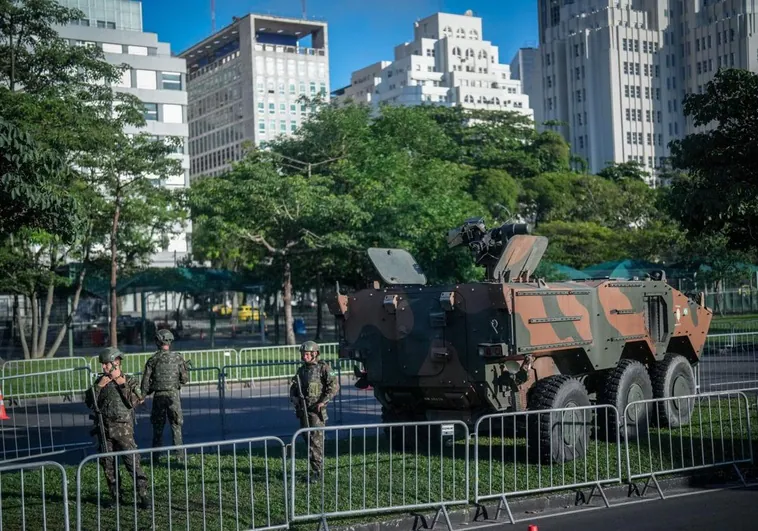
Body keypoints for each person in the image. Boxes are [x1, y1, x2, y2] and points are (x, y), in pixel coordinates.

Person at [85, 347, 150, 508]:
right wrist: (99, 386)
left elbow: (135, 401)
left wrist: (121, 383)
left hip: (123, 431)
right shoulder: (100, 382)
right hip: (104, 430)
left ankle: (143, 496)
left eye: (106, 364)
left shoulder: (129, 381)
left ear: (116, 363)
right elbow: (89, 402)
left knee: (132, 463)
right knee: (108, 465)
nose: (103, 368)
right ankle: (116, 497)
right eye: (103, 365)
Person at [289, 340, 339, 480]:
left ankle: (317, 472)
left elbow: (334, 386)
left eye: (307, 354)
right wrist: (294, 398)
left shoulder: (324, 368)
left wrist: (323, 401)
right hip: (303, 411)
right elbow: (293, 388)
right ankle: (314, 469)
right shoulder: (302, 370)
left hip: (316, 412)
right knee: (308, 440)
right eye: (303, 354)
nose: (304, 356)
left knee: (315, 442)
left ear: (315, 354)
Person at [141, 329, 189, 454]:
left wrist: (142, 397)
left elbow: (145, 383)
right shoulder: (178, 358)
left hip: (158, 397)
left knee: (158, 428)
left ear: (157, 342)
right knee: (176, 426)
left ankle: (155, 457)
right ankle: (179, 457)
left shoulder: (152, 360)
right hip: (173, 397)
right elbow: (184, 379)